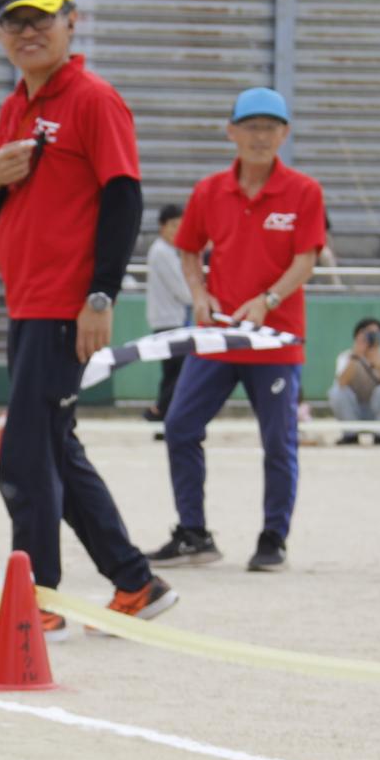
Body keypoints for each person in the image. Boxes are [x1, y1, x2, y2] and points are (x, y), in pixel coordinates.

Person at [0, 0, 175, 636]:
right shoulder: (14, 107)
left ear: (70, 20)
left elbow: (124, 198)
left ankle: (37, 596)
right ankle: (134, 581)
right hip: (25, 300)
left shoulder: (93, 99)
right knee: (53, 448)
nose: (27, 31)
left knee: (25, 455)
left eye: (40, 17)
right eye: (13, 21)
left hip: (64, 304)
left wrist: (100, 294)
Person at [150, 87, 325, 574]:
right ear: (232, 132)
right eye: (251, 126)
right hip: (219, 337)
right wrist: (200, 295)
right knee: (180, 425)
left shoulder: (304, 191)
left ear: (284, 134)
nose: (260, 137)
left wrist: (268, 300)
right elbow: (189, 249)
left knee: (278, 442)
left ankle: (273, 538)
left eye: (270, 127)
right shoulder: (209, 190)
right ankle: (193, 533)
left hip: (275, 340)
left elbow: (305, 259)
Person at [143, 202, 191, 424]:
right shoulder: (162, 252)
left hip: (171, 319)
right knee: (178, 373)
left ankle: (161, 412)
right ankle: (160, 412)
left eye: (181, 226)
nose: (177, 231)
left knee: (173, 373)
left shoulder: (168, 251)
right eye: (173, 225)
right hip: (169, 321)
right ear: (162, 226)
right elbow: (182, 291)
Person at [330, 317, 380, 444]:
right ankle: (350, 434)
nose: (372, 337)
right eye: (367, 333)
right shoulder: (346, 357)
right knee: (336, 391)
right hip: (354, 410)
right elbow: (341, 383)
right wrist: (356, 357)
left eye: (376, 333)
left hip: (378, 411)